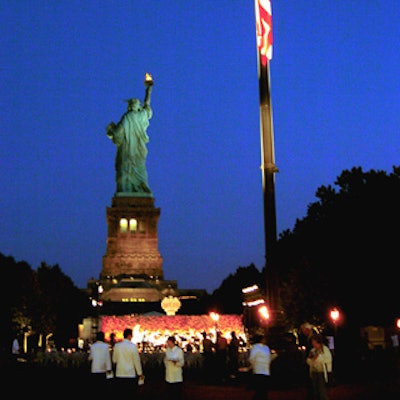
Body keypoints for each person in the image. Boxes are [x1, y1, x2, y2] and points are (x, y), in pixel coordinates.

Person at [107, 73, 154, 194]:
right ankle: (142, 186)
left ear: (129, 107)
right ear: (137, 106)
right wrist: (148, 91)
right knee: (139, 168)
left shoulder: (126, 117)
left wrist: (111, 130)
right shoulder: (140, 116)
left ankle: (125, 189)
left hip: (127, 152)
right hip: (138, 151)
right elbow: (147, 107)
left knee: (125, 169)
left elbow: (117, 135)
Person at [112, 328, 144, 394]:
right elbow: (136, 361)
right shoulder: (133, 346)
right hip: (130, 374)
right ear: (129, 336)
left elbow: (114, 360)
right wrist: (140, 373)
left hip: (119, 373)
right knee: (130, 394)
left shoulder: (117, 346)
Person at [306, 333, 333, 400]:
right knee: (315, 391)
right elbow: (308, 361)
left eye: (314, 342)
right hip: (314, 372)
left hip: (322, 372)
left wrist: (317, 358)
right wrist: (311, 359)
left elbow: (328, 360)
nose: (313, 343)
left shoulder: (325, 349)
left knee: (322, 391)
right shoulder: (313, 350)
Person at [248, 333, 271, 400]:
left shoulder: (265, 347)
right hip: (260, 370)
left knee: (263, 390)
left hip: (263, 370)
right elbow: (252, 358)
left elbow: (252, 358)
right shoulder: (257, 347)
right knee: (261, 389)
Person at [164, 335, 185, 400]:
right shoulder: (167, 350)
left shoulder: (179, 351)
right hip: (169, 376)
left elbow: (182, 362)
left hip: (176, 376)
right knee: (170, 394)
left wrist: (175, 362)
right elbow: (165, 360)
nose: (167, 343)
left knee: (177, 394)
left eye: (169, 342)